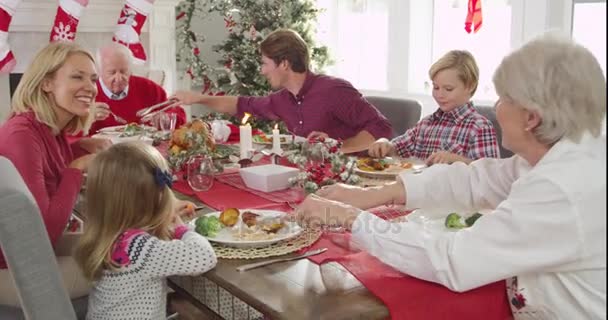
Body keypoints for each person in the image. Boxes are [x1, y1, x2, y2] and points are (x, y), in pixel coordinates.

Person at [297, 35, 606, 319]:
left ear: (531, 118)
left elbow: (454, 260)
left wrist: (352, 219)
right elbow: (475, 179)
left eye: (502, 99)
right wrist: (373, 195)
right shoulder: (563, 152)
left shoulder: (562, 187)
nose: (496, 107)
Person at [0, 42, 110, 305]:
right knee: (130, 266)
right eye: (77, 76)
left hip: (25, 254)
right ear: (47, 83)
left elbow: (44, 164)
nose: (91, 87)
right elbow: (43, 231)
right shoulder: (22, 135)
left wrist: (77, 146)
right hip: (13, 269)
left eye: (93, 79)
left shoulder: (46, 129)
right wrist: (78, 167)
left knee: (119, 244)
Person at [169, 29, 393, 153]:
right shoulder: (282, 99)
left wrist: (338, 147)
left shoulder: (333, 90)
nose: (262, 70)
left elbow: (381, 127)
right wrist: (197, 98)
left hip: (352, 177)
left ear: (284, 64)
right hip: (314, 177)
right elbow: (241, 104)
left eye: (265, 63)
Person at [74, 142, 217, 319]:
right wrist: (180, 227)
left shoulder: (107, 236)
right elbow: (203, 257)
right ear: (158, 197)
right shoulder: (140, 249)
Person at [369, 50, 499, 165]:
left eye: (448, 89)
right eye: (436, 87)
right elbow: (397, 147)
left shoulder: (480, 127)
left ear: (470, 86)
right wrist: (385, 144)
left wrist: (456, 160)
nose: (439, 94)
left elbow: (490, 175)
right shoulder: (426, 124)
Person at [89, 42, 186, 133]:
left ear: (130, 70)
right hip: (103, 149)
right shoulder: (88, 92)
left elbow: (177, 113)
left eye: (123, 71)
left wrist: (166, 118)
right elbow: (75, 135)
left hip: (145, 148)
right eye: (112, 72)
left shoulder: (148, 88)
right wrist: (88, 118)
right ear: (99, 72)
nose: (118, 78)